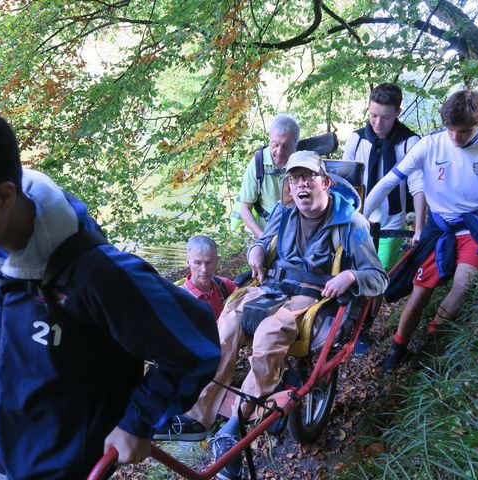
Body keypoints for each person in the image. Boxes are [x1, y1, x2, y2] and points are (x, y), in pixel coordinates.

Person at [0, 95, 221, 479]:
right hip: (8, 454)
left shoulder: (95, 276)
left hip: (66, 467)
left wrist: (137, 422)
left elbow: (197, 348)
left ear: (4, 197)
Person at [155, 151, 388, 480]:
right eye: (294, 179)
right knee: (226, 325)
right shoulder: (284, 212)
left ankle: (235, 425)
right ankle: (198, 416)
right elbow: (263, 240)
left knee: (270, 333)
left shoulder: (352, 223)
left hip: (310, 295)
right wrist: (256, 252)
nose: (301, 184)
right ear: (289, 186)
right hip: (271, 288)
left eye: (308, 177)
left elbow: (379, 277)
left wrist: (350, 277)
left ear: (325, 182)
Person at [363, 89, 478, 372]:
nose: (455, 137)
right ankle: (397, 347)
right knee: (419, 293)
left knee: (463, 285)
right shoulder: (430, 145)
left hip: (473, 228)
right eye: (451, 129)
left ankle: (428, 342)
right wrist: (359, 219)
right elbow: (389, 181)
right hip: (438, 229)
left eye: (463, 131)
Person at [342, 83, 427, 355]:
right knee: (353, 269)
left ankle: (365, 326)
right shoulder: (356, 140)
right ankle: (345, 322)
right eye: (373, 115)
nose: (378, 123)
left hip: (392, 220)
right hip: (358, 219)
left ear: (398, 112)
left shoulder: (410, 142)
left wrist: (420, 228)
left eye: (386, 117)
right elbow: (345, 181)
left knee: (377, 275)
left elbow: (418, 186)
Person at [233, 114, 299, 238]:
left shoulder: (303, 163)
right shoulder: (258, 163)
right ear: (269, 139)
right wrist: (263, 237)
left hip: (298, 232)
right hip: (268, 231)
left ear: (296, 143)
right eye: (275, 145)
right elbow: (245, 209)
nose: (279, 152)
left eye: (286, 146)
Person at [182, 235, 237, 319]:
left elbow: (247, 298)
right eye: (197, 263)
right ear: (188, 262)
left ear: (216, 261)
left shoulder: (223, 285)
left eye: (208, 263)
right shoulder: (180, 298)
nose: (204, 269)